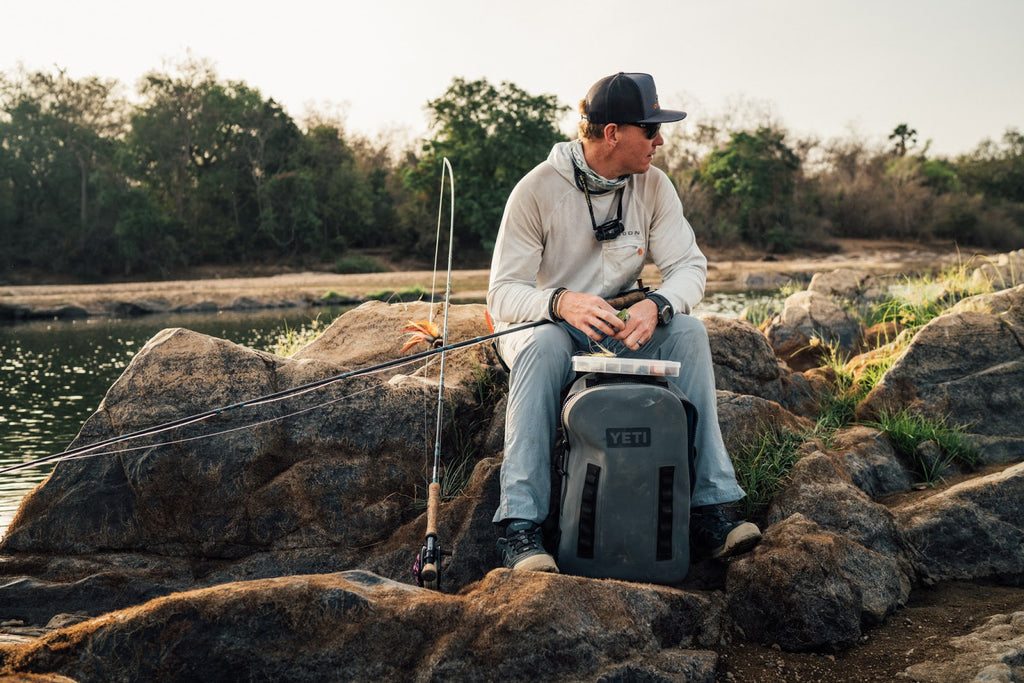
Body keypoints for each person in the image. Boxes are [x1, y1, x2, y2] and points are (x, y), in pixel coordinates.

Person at [486, 72, 761, 573]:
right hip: (544, 328)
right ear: (612, 133)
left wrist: (657, 304)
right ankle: (520, 527)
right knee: (544, 345)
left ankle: (707, 510)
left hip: (617, 329)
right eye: (650, 129)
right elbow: (502, 294)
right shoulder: (535, 190)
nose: (660, 140)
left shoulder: (654, 185)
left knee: (690, 332)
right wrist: (560, 303)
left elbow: (690, 267)